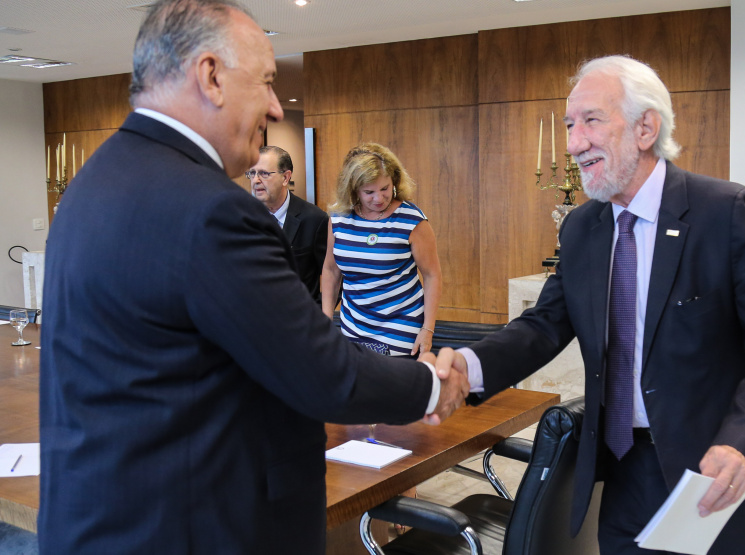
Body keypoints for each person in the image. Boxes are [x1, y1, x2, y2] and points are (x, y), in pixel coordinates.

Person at [37, 1, 467, 554]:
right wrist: (433, 382)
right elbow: (320, 373)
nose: (272, 105)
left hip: (110, 519)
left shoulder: (93, 182)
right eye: (265, 82)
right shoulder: (211, 208)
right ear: (211, 76)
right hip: (193, 527)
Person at [436, 55, 745, 554]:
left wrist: (741, 442)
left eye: (590, 120)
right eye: (570, 126)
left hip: (710, 473)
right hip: (621, 470)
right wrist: (468, 364)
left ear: (645, 128)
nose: (573, 144)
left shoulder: (724, 212)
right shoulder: (582, 229)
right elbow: (544, 326)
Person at [321, 143, 442, 357]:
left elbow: (432, 275)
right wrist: (325, 321)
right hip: (353, 327)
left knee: (393, 388)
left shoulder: (412, 220)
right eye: (369, 192)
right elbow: (331, 271)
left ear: (394, 182)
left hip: (401, 327)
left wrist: (427, 329)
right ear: (353, 189)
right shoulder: (339, 218)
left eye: (385, 188)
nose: (378, 198)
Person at [248, 145, 328, 303]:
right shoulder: (242, 216)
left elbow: (333, 276)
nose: (256, 180)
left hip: (300, 320)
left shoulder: (314, 219)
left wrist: (316, 314)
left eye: (264, 173)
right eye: (252, 173)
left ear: (285, 177)